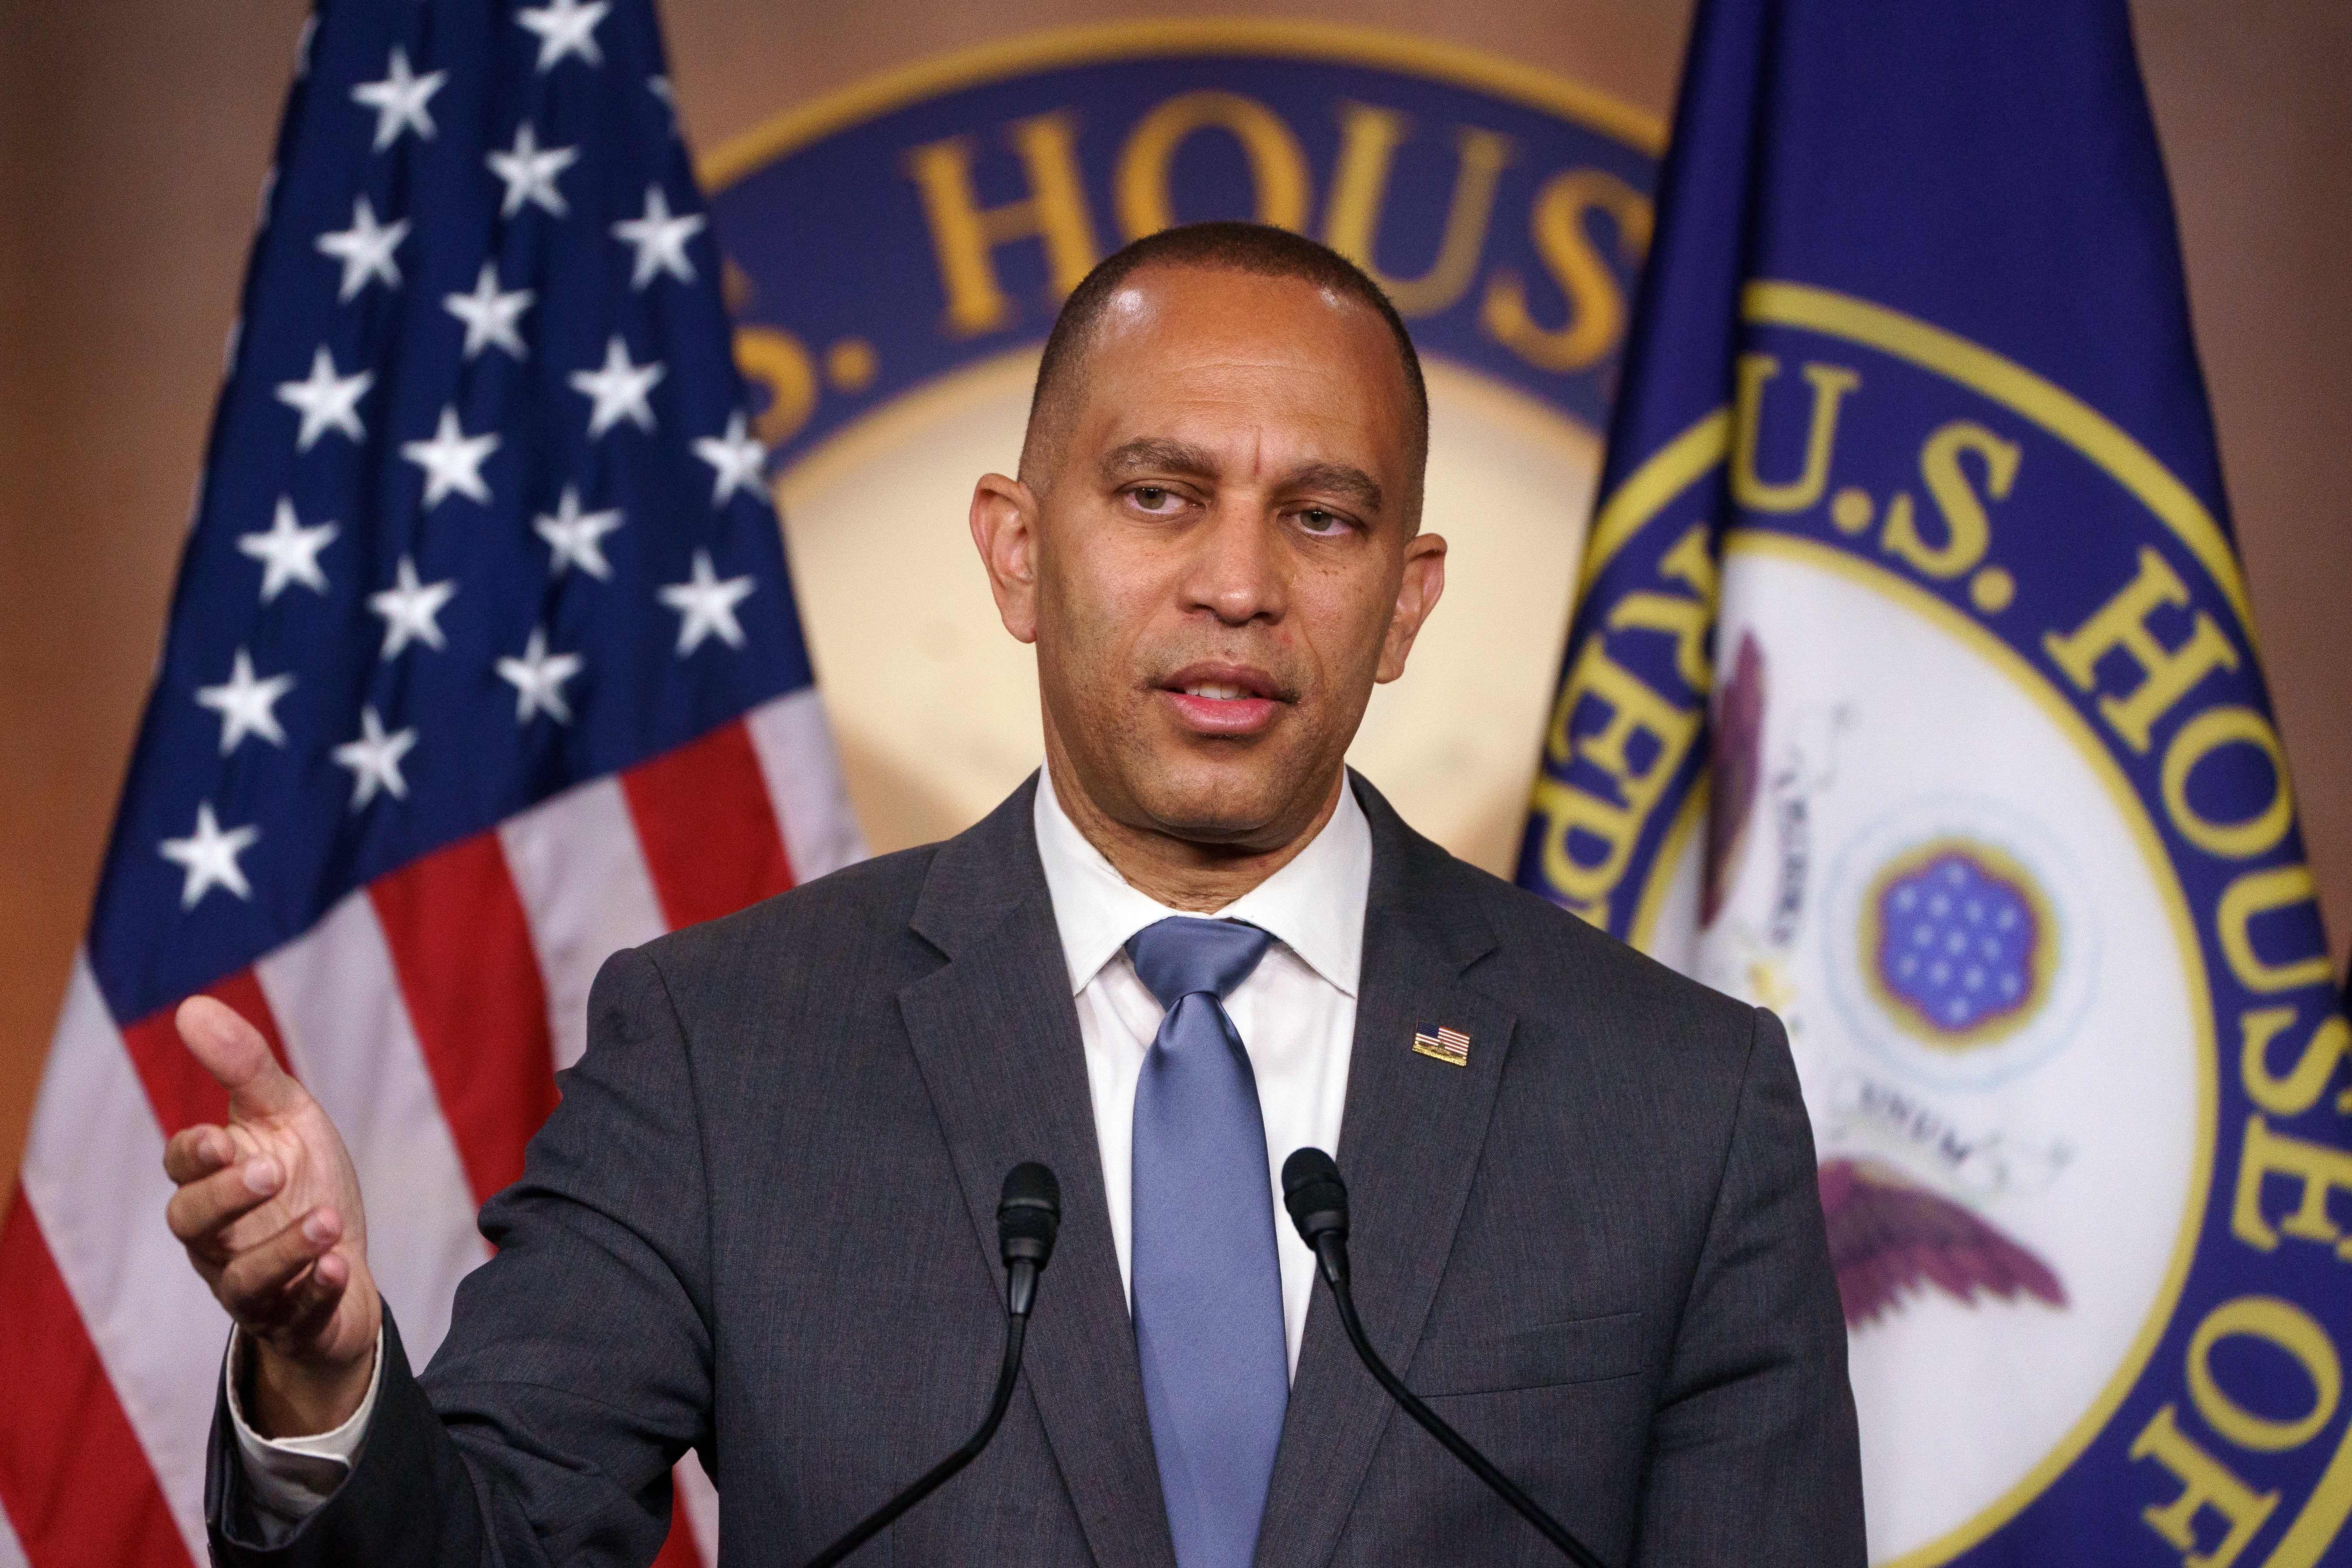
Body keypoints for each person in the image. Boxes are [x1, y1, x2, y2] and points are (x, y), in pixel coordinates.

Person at [166, 221, 1865, 1567]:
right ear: (1013, 549)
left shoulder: (1675, 1101)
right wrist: (324, 1380)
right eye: (1159, 494)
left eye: (1324, 518)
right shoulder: (722, 1045)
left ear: (1407, 599)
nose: (1237, 583)